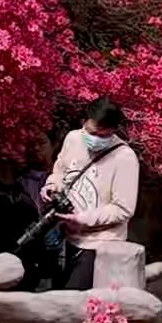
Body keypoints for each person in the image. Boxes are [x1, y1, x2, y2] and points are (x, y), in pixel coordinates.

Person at [41, 100, 140, 289]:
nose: (96, 139)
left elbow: (123, 209)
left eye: (105, 135)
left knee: (80, 306)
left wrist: (83, 219)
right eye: (92, 133)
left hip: (101, 245)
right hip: (68, 239)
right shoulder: (73, 139)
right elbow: (60, 171)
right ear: (83, 121)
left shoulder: (125, 158)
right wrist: (51, 187)